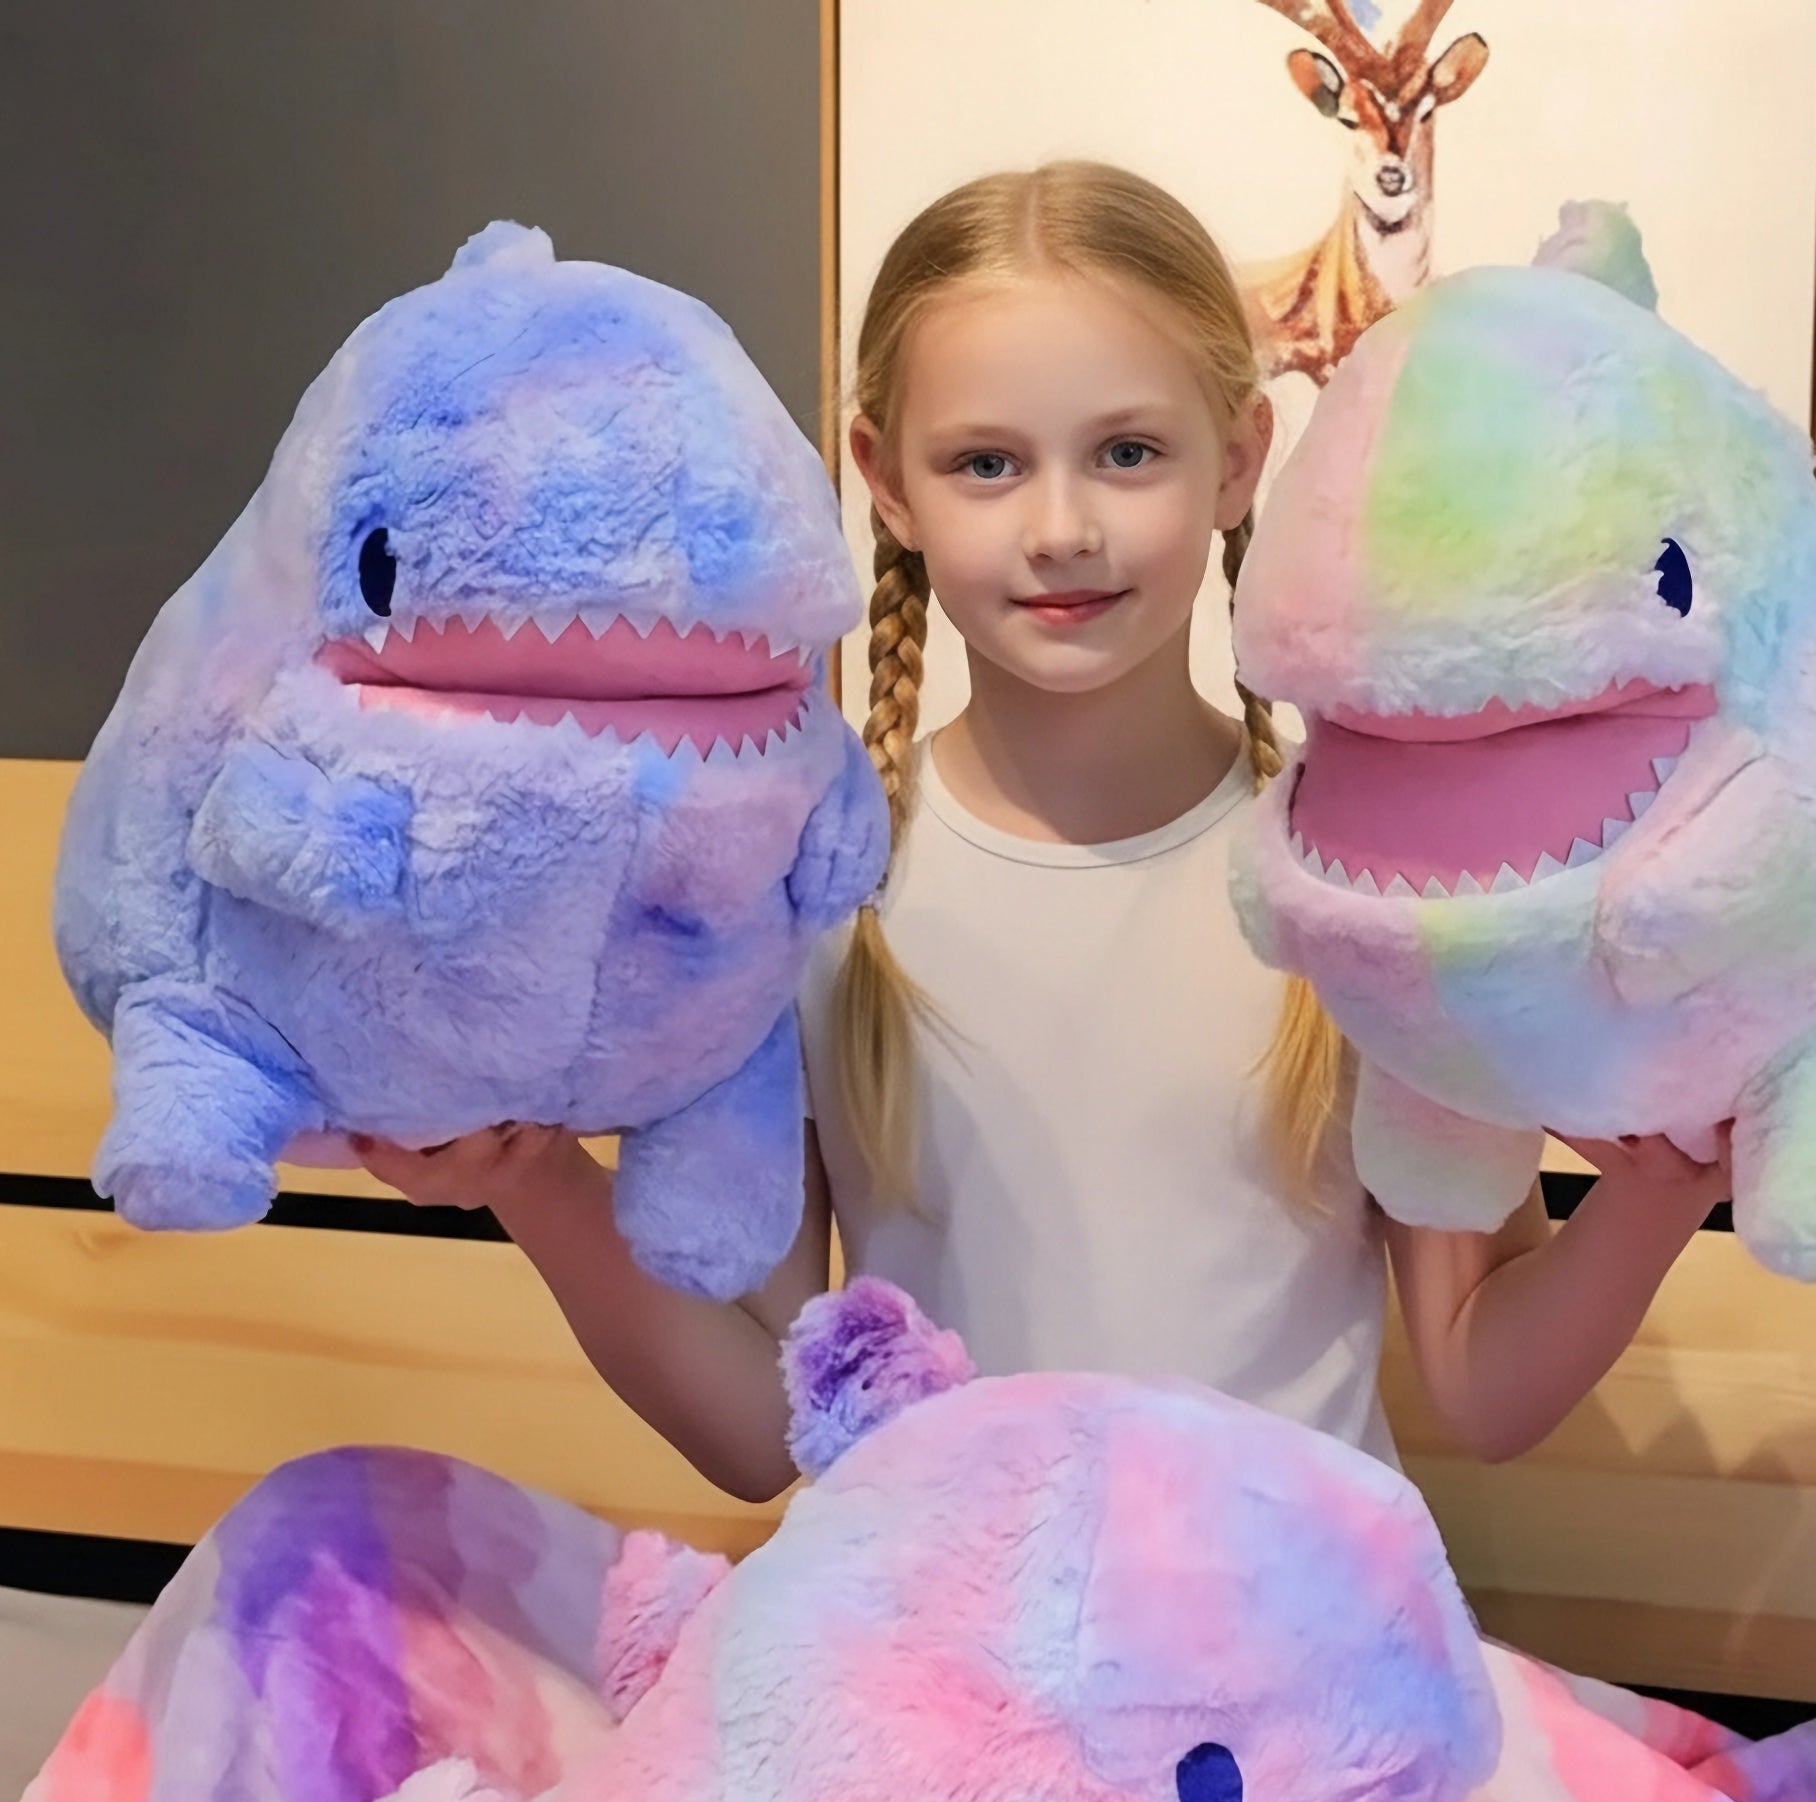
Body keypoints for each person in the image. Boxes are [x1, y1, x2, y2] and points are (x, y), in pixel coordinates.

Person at [355, 161, 1726, 1501]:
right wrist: (532, 1186)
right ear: (888, 482)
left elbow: (1483, 1384)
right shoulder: (815, 884)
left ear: (1240, 458)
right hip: (948, 1666)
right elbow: (763, 1429)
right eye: (988, 465)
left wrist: (1667, 1186)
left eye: (1127, 453)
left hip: (1290, 1674)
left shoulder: (1368, 888)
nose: (1063, 527)